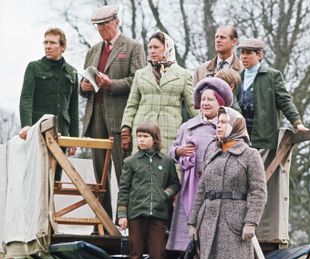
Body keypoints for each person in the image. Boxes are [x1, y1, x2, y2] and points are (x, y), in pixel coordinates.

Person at [188, 106, 267, 259]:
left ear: (236, 125)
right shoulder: (212, 152)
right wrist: (193, 222)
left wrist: (251, 221)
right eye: (218, 122)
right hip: (209, 221)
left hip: (235, 223)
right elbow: (201, 191)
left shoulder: (249, 154)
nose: (218, 125)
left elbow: (258, 192)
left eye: (223, 122)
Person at [166, 77, 233, 259]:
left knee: (209, 240)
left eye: (210, 99)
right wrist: (179, 152)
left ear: (220, 102)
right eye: (203, 99)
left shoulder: (228, 126)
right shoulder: (188, 126)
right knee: (189, 240)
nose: (205, 103)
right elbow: (171, 150)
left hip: (216, 193)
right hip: (190, 191)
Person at [80, 4, 146, 217]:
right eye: (98, 26)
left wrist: (112, 84)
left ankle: (127, 221)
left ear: (116, 22)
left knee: (123, 172)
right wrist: (83, 86)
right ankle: (104, 223)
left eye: (104, 25)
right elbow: (82, 84)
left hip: (120, 117)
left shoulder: (133, 47)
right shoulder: (93, 51)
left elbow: (138, 81)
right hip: (95, 114)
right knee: (100, 175)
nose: (101, 29)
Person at [117, 121, 180, 259]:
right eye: (139, 137)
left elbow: (175, 183)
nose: (141, 140)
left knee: (158, 253)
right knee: (135, 254)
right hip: (136, 213)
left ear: (155, 139)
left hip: (158, 215)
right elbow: (124, 189)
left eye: (145, 136)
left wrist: (165, 194)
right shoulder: (131, 162)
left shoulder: (166, 162)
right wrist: (122, 215)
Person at [121, 31, 197, 156]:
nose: (152, 51)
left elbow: (193, 107)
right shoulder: (140, 74)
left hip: (169, 131)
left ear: (167, 48)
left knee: (167, 170)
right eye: (150, 47)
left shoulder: (183, 75)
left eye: (156, 47)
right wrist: (125, 128)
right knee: (142, 169)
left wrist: (206, 127)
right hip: (142, 131)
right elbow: (131, 105)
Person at [237, 38, 307, 149]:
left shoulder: (272, 76)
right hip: (240, 138)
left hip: (264, 140)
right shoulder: (237, 78)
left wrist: (297, 123)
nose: (244, 56)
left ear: (259, 55)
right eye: (242, 53)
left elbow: (285, 101)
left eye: (249, 53)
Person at [19, 27, 79, 157]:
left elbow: (73, 109)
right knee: (37, 175)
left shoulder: (72, 73)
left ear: (62, 47)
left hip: (62, 134)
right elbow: (26, 99)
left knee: (56, 176)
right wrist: (26, 125)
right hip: (38, 132)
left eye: (52, 43)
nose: (47, 46)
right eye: (45, 43)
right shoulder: (34, 67)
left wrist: (74, 139)